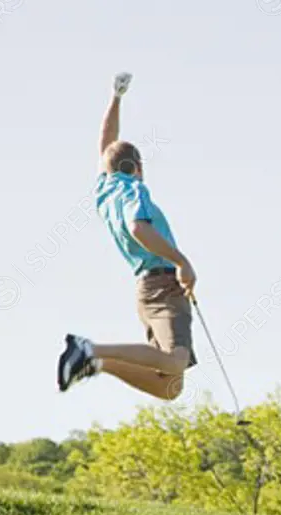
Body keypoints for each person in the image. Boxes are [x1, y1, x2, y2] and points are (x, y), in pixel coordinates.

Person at [57, 72, 198, 400]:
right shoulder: (135, 188)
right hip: (164, 283)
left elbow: (107, 142)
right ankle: (89, 349)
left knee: (169, 385)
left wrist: (116, 98)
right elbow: (138, 227)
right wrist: (182, 262)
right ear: (136, 166)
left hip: (145, 289)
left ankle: (97, 363)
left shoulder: (105, 189)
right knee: (176, 363)